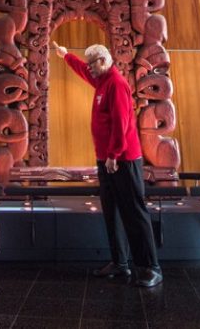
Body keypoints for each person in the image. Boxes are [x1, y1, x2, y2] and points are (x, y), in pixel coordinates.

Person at [52, 42, 163, 287]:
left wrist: (113, 154)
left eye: (93, 64)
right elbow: (83, 70)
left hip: (122, 160)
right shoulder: (101, 80)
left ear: (103, 61)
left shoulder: (117, 84)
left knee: (134, 211)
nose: (89, 68)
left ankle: (150, 267)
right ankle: (120, 263)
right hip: (107, 159)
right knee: (112, 211)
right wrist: (65, 56)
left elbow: (122, 123)